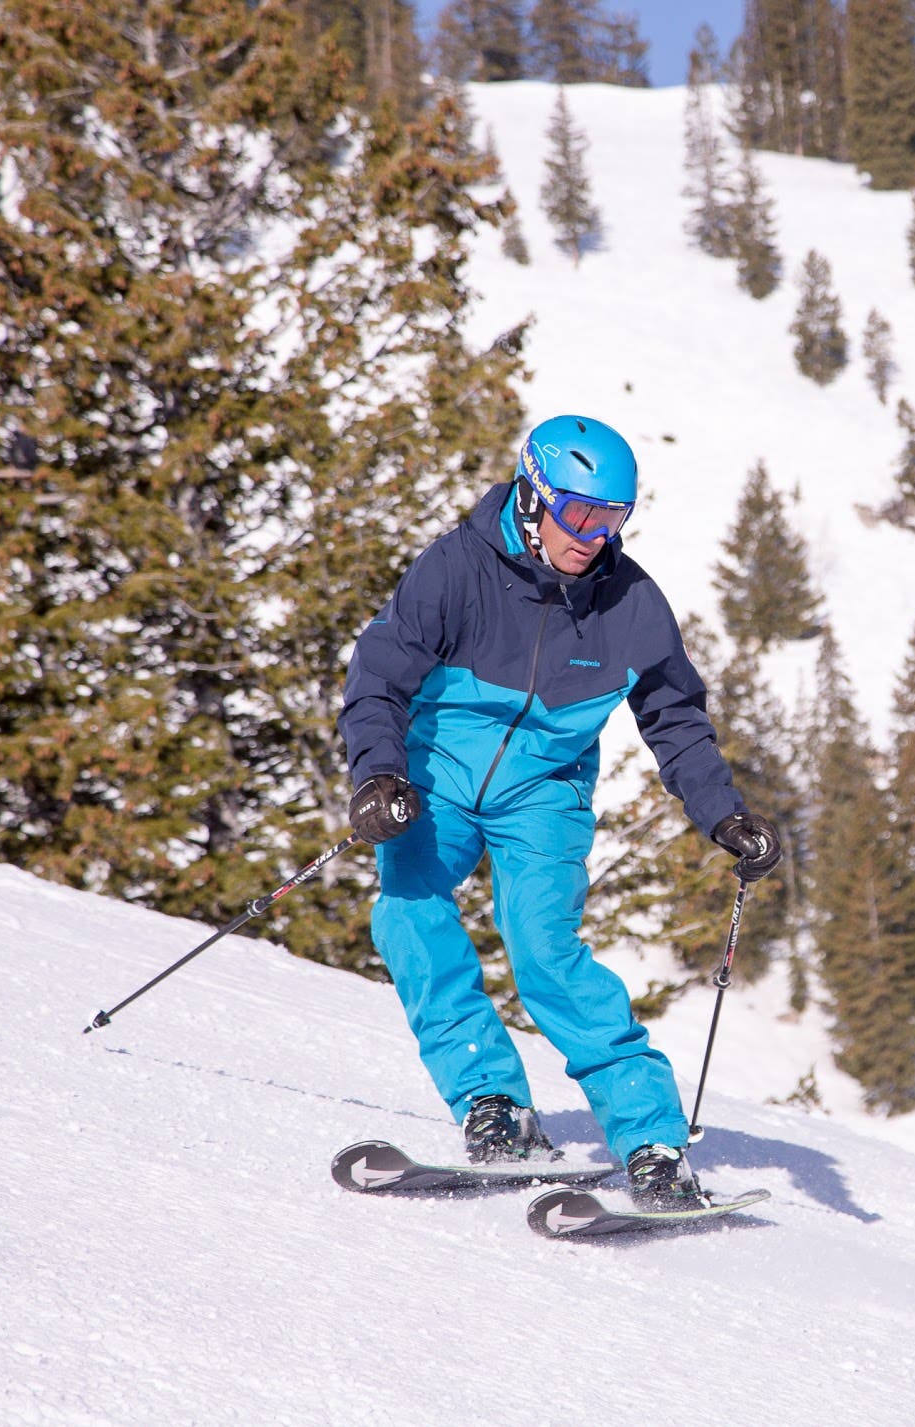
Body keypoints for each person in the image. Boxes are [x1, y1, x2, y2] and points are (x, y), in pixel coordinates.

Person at [338, 414, 780, 1209]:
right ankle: (494, 1101)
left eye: (611, 520)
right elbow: (379, 672)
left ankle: (651, 1141)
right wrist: (379, 773)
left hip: (545, 788)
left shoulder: (632, 604)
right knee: (408, 916)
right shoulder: (456, 570)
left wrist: (723, 814)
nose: (593, 536)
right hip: (436, 773)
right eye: (578, 515)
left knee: (544, 949)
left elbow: (674, 718)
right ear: (533, 497)